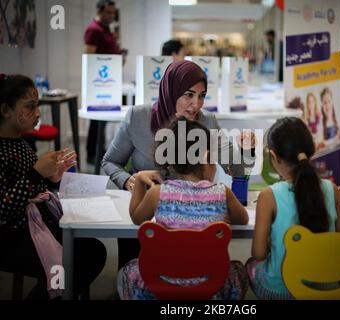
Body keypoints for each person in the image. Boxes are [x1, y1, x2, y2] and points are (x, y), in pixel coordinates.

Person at [102, 60, 255, 269]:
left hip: (190, 213)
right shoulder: (137, 117)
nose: (197, 104)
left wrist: (247, 151)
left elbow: (236, 170)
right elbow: (110, 162)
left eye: (202, 96)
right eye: (189, 94)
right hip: (144, 206)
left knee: (184, 271)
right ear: (170, 91)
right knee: (139, 263)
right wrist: (130, 180)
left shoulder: (207, 121)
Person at [0, 74, 107, 299]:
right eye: (30, 106)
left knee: (93, 250)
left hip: (37, 227)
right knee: (79, 260)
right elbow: (3, 208)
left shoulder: (21, 144)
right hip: (12, 239)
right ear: (6, 110)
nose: (38, 113)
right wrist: (37, 172)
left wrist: (53, 176)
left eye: (37, 105)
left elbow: (32, 186)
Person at [117, 118, 249, 300]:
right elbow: (243, 219)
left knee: (127, 270)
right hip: (211, 286)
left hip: (161, 283)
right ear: (206, 158)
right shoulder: (222, 192)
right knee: (239, 270)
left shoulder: (157, 193)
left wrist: (139, 179)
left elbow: (136, 218)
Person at [246, 117, 340, 299]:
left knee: (250, 265)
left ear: (274, 156)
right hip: (326, 286)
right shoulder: (331, 189)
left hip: (282, 291)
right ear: (312, 151)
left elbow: (259, 253)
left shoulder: (269, 196)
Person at [84, 0, 127, 165]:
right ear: (100, 11)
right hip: (99, 83)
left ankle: (98, 150)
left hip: (110, 81)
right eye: (108, 13)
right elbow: (89, 58)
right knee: (96, 119)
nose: (111, 16)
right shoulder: (93, 30)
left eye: (112, 13)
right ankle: (91, 153)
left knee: (101, 120)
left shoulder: (107, 30)